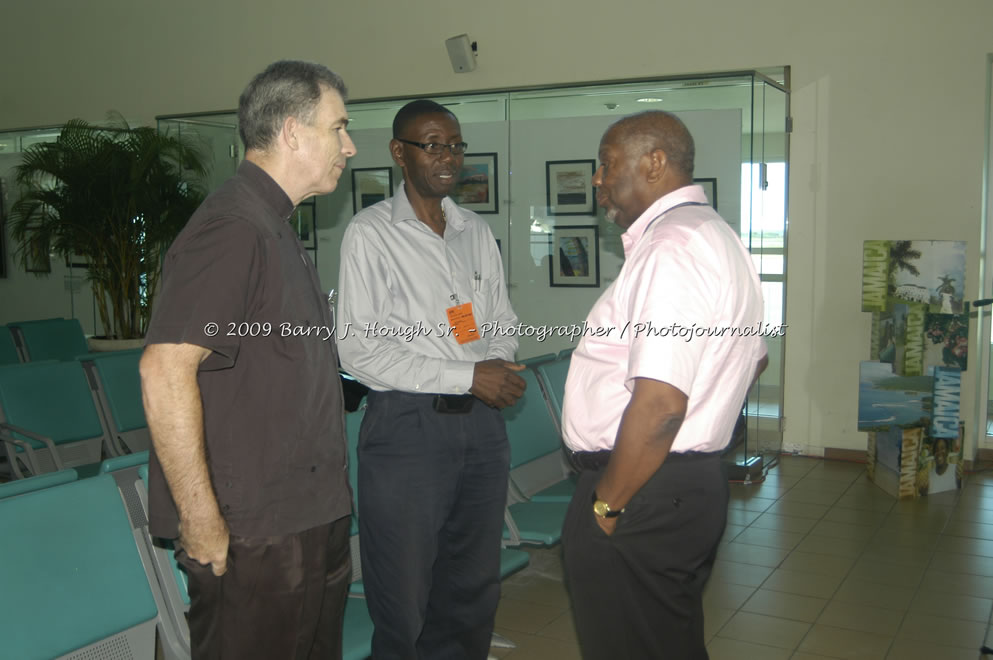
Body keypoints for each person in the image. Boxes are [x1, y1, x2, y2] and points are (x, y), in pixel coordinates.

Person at [140, 60, 356, 660]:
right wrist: (201, 517)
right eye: (338, 128)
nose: (350, 145)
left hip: (306, 517)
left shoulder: (276, 225)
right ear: (292, 132)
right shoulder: (233, 227)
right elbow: (165, 369)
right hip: (256, 532)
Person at [560, 110, 768, 660]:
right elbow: (754, 360)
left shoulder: (671, 247)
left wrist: (608, 506)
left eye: (607, 164)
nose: (598, 180)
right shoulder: (716, 235)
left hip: (641, 488)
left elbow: (660, 406)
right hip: (683, 485)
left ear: (655, 163)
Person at [337, 99, 526, 659]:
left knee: (471, 588)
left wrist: (494, 362)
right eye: (433, 144)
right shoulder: (370, 235)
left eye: (456, 145)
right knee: (404, 594)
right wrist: (469, 375)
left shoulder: (473, 230)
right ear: (400, 152)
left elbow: (500, 319)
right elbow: (360, 350)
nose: (448, 156)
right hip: (408, 430)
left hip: (482, 431)